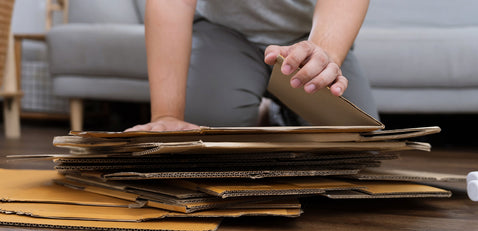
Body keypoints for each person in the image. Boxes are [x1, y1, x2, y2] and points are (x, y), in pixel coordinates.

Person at [126, 0, 378, 132]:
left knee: (356, 143)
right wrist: (167, 115)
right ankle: (263, 113)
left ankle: (277, 116)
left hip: (308, 36)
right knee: (209, 135)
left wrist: (323, 51)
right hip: (224, 31)